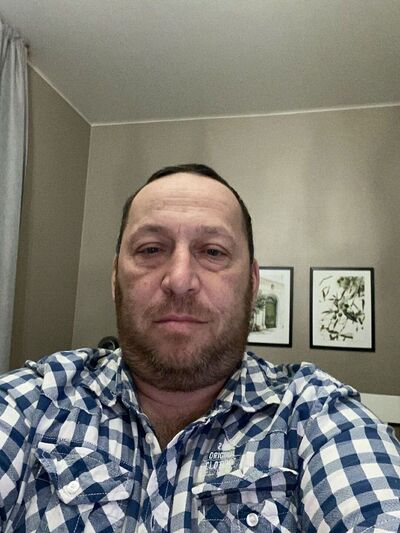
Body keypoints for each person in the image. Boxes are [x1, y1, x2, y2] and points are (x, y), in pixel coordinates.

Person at [0, 164, 399, 532]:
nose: (179, 280)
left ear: (253, 284)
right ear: (115, 279)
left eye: (213, 252)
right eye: (151, 249)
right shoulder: (35, 402)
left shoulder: (316, 413)